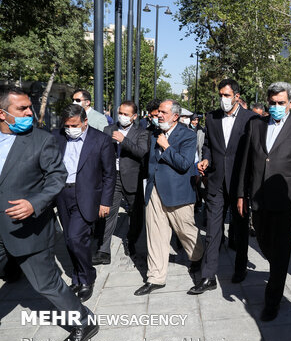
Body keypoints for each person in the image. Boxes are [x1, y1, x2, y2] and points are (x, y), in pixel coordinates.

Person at [0, 89, 99, 341]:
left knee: (46, 283)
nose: (30, 113)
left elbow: (57, 177)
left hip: (28, 228)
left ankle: (84, 321)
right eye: (22, 109)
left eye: (29, 107)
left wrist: (34, 203)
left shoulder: (41, 140)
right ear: (2, 113)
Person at [237, 82, 291, 321]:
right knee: (264, 244)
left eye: (281, 103)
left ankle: (273, 300)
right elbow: (245, 163)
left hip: (286, 203)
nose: (276, 107)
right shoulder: (255, 125)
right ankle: (276, 272)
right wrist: (241, 194)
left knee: (280, 255)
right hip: (258, 200)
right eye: (272, 102)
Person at [191, 79, 257, 293]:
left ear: (237, 96)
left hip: (239, 184)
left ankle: (240, 267)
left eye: (227, 95)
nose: (223, 99)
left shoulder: (252, 119)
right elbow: (208, 145)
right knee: (212, 229)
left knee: (239, 228)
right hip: (216, 181)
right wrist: (206, 159)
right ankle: (208, 276)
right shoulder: (211, 117)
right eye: (221, 94)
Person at [134, 99, 204, 296]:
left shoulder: (187, 135)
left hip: (178, 193)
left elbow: (183, 164)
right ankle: (155, 277)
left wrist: (166, 147)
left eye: (163, 113)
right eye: (158, 113)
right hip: (154, 190)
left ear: (175, 116)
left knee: (186, 232)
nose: (159, 116)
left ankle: (199, 258)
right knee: (155, 235)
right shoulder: (154, 134)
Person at [54, 104, 116, 302]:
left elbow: (109, 175)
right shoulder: (58, 137)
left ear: (85, 121)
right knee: (69, 241)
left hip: (88, 196)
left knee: (75, 238)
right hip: (63, 194)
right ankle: (77, 277)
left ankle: (88, 277)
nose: (70, 129)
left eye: (74, 125)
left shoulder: (101, 140)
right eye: (66, 126)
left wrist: (105, 202)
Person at [95, 101, 149, 262]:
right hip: (113, 177)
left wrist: (123, 141)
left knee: (136, 214)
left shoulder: (142, 133)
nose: (122, 117)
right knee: (109, 212)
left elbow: (141, 152)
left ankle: (131, 242)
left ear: (134, 116)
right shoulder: (108, 130)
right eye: (120, 113)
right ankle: (103, 250)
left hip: (133, 178)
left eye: (126, 114)